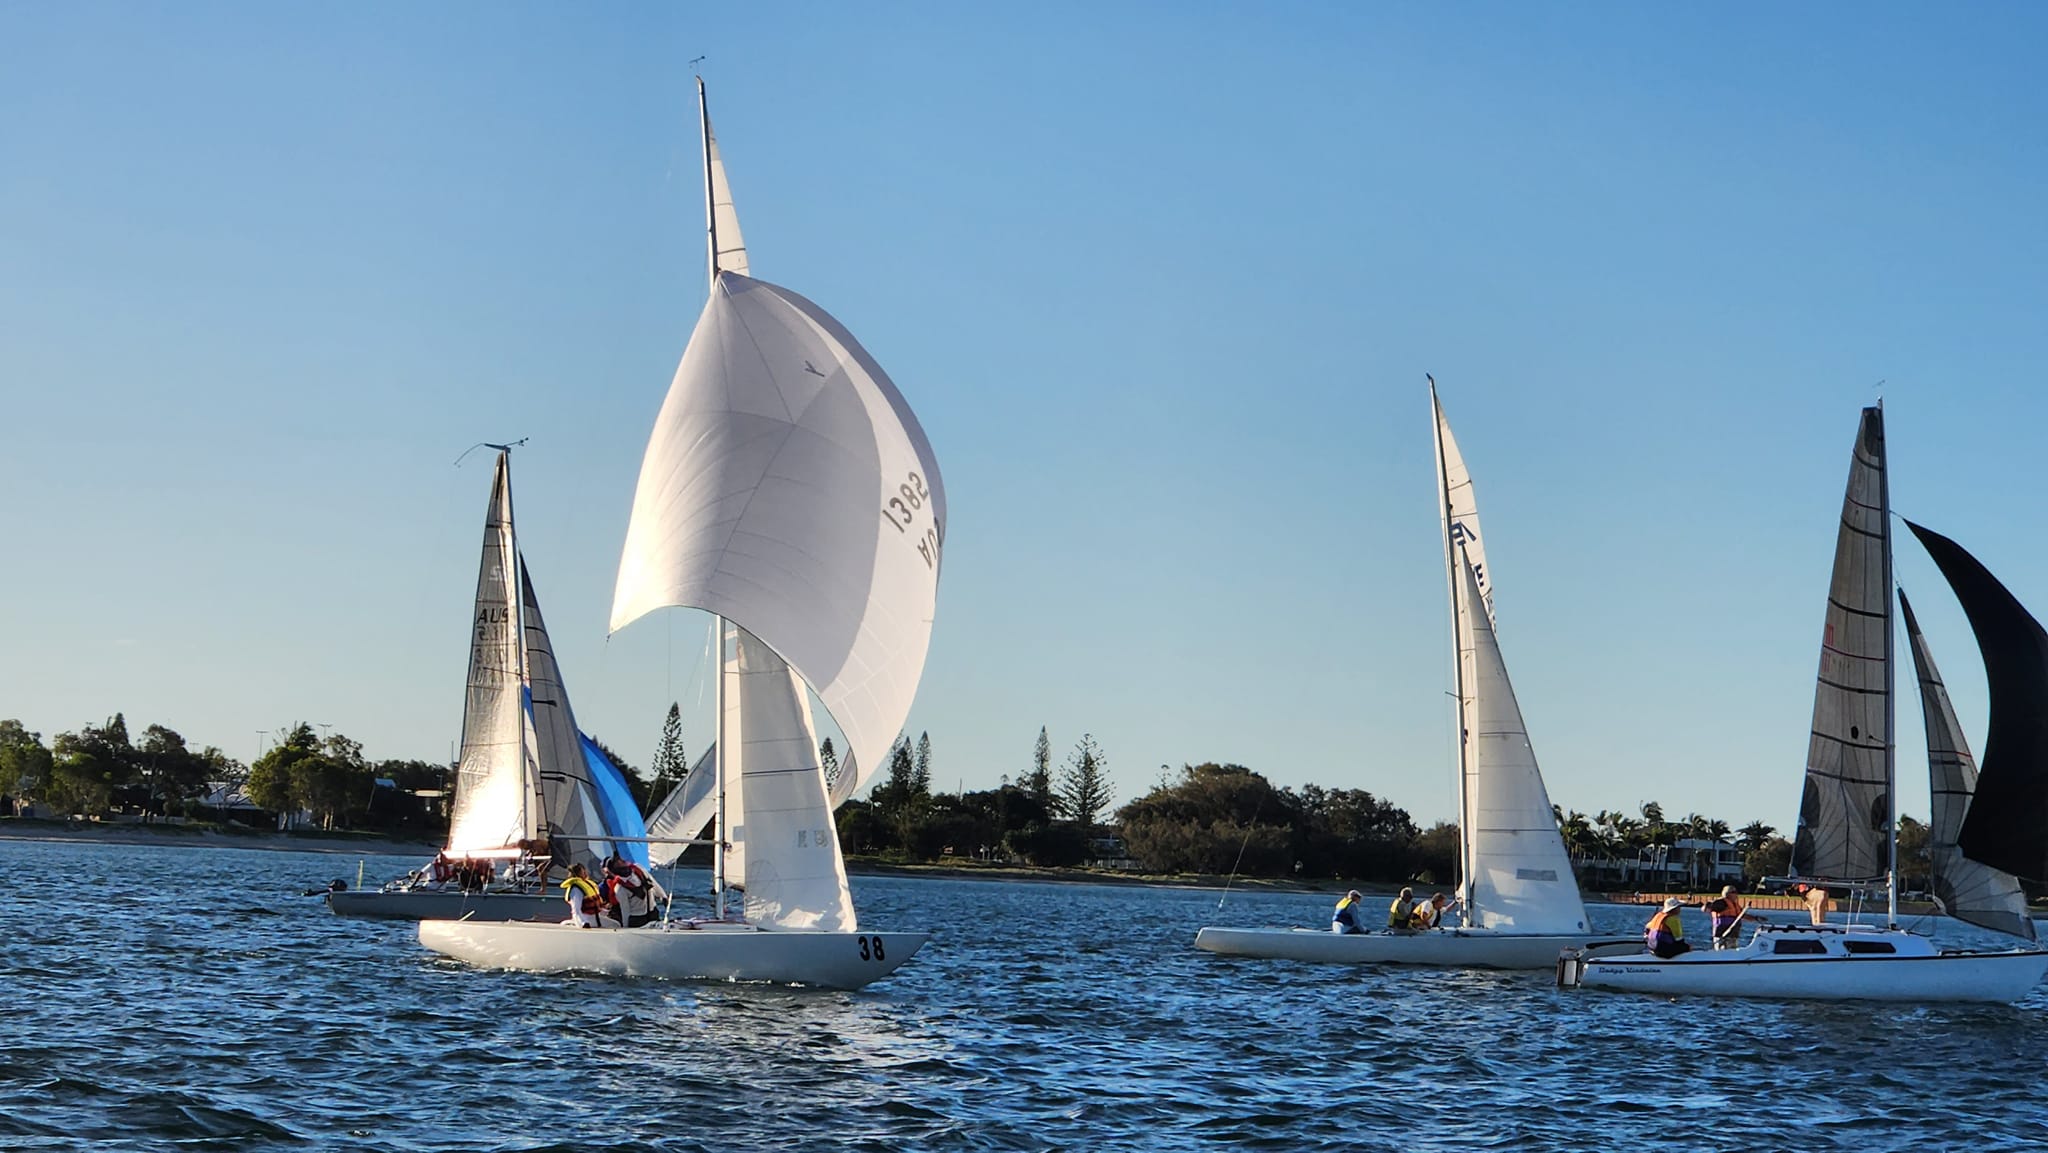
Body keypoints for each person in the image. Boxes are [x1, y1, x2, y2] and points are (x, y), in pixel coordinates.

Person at [603, 855, 669, 929]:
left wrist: (663, 896)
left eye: (619, 858)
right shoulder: (619, 888)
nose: (620, 860)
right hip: (637, 919)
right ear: (615, 868)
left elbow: (653, 882)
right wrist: (625, 928)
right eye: (617, 861)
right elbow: (625, 910)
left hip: (653, 911)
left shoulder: (639, 868)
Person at [560, 863, 608, 928]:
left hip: (595, 917)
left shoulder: (587, 884)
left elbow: (597, 907)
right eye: (583, 871)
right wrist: (584, 923)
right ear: (577, 874)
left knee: (617, 923)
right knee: (616, 925)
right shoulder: (576, 889)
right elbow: (576, 910)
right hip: (587, 919)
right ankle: (573, 923)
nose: (585, 873)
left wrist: (608, 912)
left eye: (585, 870)